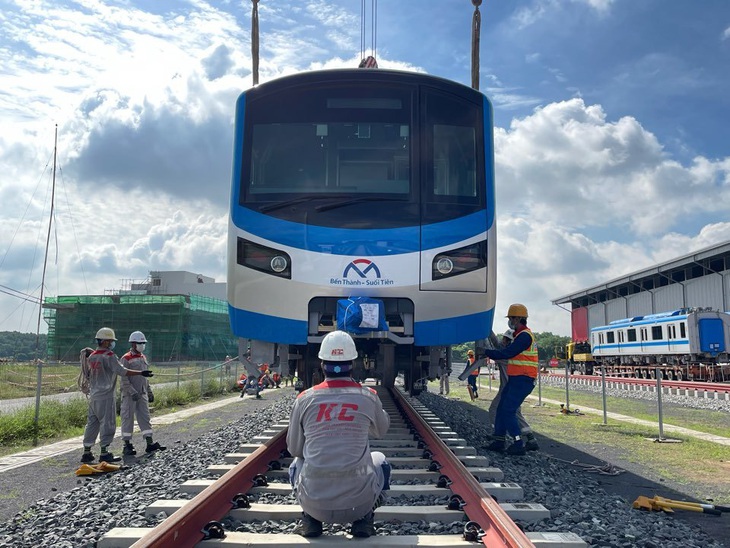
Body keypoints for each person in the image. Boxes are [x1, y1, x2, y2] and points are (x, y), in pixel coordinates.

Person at [286, 331, 391, 538]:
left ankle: (311, 521)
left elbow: (295, 449)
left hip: (314, 504)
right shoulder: (368, 396)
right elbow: (381, 430)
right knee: (381, 462)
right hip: (359, 505)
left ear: (322, 363)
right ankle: (364, 521)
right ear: (353, 363)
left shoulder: (305, 399)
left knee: (296, 463)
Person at [80, 327, 154, 463]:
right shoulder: (110, 356)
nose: (112, 344)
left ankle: (87, 452)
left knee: (92, 423)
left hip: (94, 396)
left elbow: (90, 371)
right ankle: (104, 453)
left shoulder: (92, 356)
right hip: (106, 395)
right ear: (106, 342)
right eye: (110, 341)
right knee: (107, 424)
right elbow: (122, 371)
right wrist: (140, 373)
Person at [480, 304, 539, 456]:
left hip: (524, 379)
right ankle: (499, 441)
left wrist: (486, 352)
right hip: (517, 379)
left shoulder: (525, 336)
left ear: (518, 318)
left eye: (512, 318)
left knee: (508, 410)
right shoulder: (519, 335)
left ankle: (518, 443)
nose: (510, 321)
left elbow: (507, 352)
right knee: (501, 408)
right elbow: (504, 349)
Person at [119, 331, 166, 456]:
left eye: (143, 343)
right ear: (133, 344)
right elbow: (123, 378)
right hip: (130, 395)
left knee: (145, 418)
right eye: (140, 343)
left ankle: (149, 443)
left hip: (142, 393)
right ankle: (127, 445)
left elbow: (145, 377)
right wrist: (132, 391)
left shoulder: (142, 357)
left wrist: (149, 391)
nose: (142, 345)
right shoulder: (126, 358)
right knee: (127, 419)